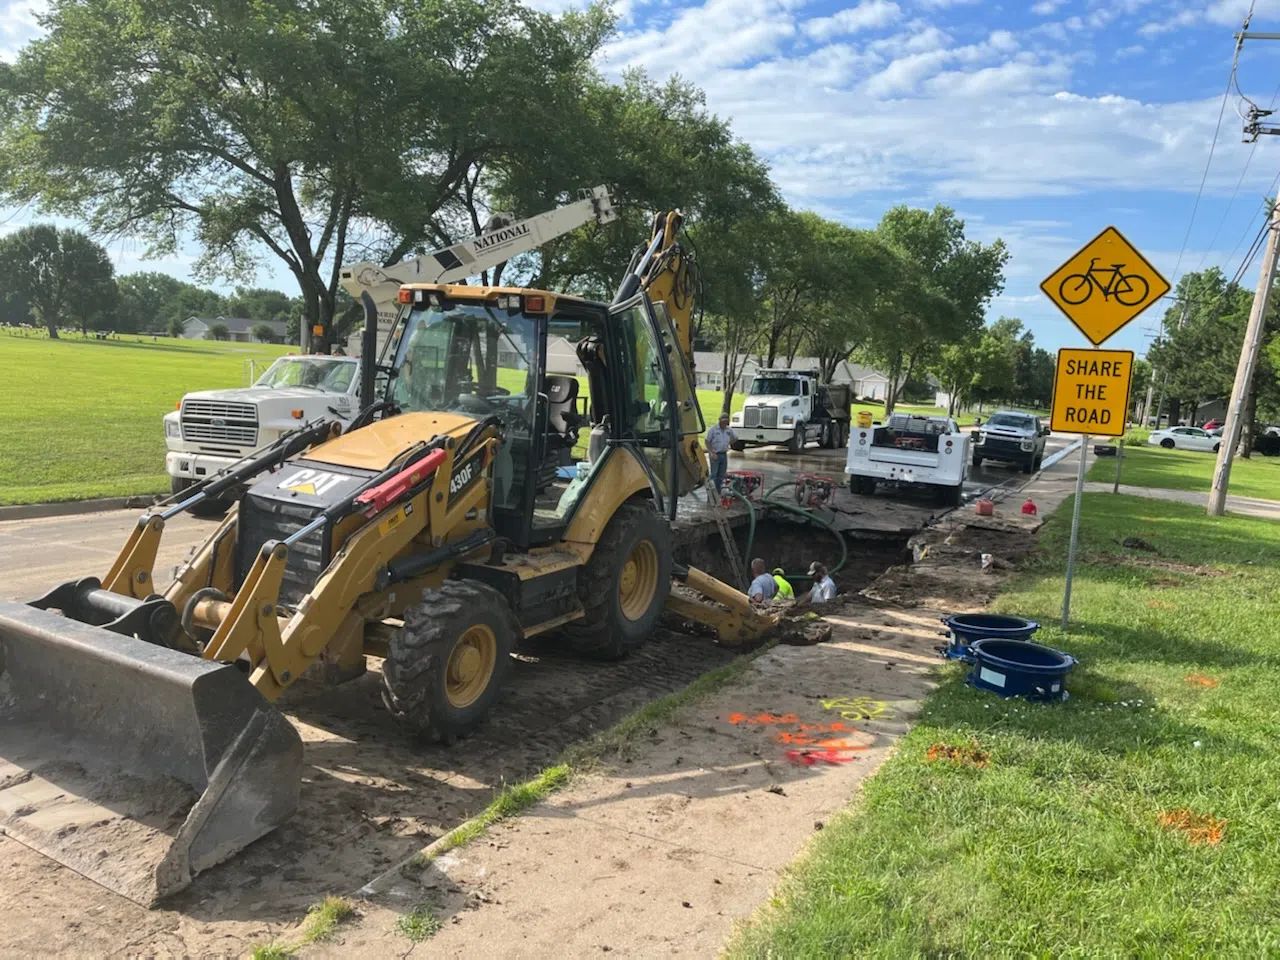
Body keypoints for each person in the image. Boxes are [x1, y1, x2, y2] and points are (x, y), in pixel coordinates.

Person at [704, 413, 737, 499]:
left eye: (726, 422)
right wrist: (711, 452)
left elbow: (735, 437)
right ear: (720, 421)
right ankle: (711, 495)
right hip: (715, 454)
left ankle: (717, 494)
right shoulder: (713, 430)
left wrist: (729, 443)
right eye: (723, 422)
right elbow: (707, 441)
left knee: (721, 476)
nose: (724, 424)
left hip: (723, 454)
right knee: (714, 475)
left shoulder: (729, 430)